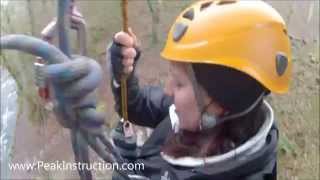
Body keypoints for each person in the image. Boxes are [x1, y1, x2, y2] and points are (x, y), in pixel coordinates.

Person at [49, 0, 291, 179]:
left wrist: (125, 170)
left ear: (221, 104)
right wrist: (124, 77)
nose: (168, 90)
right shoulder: (205, 119)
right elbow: (137, 105)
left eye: (179, 82)